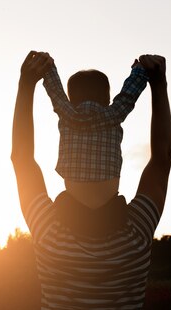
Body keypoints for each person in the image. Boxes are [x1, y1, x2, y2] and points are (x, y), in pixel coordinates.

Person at [11, 51, 171, 310]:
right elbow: (162, 159)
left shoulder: (47, 229)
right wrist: (158, 86)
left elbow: (22, 158)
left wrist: (26, 87)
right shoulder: (137, 230)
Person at [41, 57, 149, 208]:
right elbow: (128, 95)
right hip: (108, 203)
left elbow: (55, 91)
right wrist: (139, 70)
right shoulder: (114, 114)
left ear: (71, 99)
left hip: (73, 202)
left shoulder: (67, 114)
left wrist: (48, 67)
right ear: (107, 97)